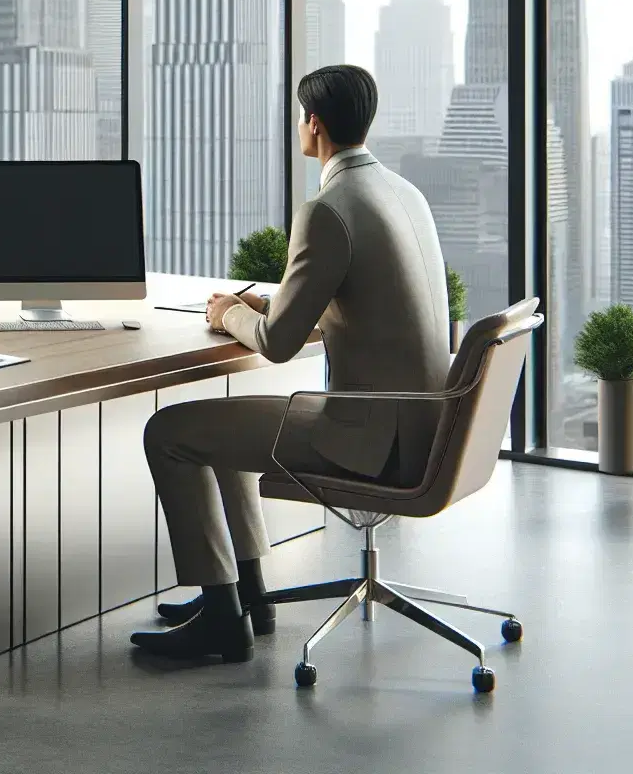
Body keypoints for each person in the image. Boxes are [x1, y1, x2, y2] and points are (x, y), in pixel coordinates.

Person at [130, 64, 450, 663]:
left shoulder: (328, 208)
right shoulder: (402, 192)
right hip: (422, 424)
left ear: (314, 124)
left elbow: (276, 344)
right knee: (219, 425)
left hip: (367, 437)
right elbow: (358, 298)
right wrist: (262, 304)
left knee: (171, 432)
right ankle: (249, 595)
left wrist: (229, 313)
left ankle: (222, 618)